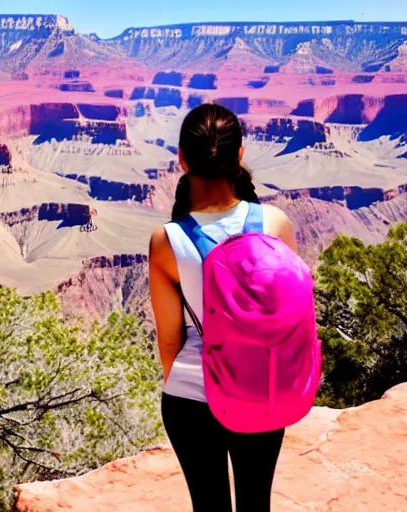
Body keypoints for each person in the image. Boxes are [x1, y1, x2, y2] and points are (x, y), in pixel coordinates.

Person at [149, 103, 298, 512]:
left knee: (208, 506)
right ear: (240, 154)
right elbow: (289, 314)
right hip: (262, 388)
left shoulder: (166, 240)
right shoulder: (275, 223)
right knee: (256, 503)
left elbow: (169, 342)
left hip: (193, 397)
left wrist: (188, 387)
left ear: (181, 159)